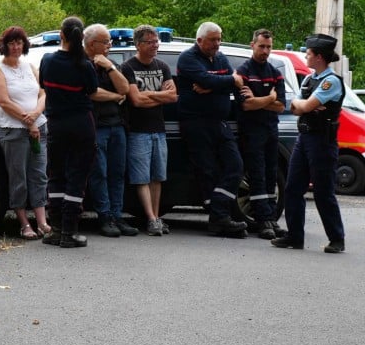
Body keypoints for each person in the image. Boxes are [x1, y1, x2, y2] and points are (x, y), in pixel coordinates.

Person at [272, 33, 346, 254]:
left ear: (320, 57)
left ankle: (337, 238)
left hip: (322, 141)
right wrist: (306, 105)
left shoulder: (331, 81)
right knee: (293, 187)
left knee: (323, 192)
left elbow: (302, 107)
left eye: (309, 53)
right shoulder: (309, 79)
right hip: (304, 138)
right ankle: (295, 236)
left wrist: (305, 105)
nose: (306, 55)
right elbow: (296, 106)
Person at [175, 21, 247, 237]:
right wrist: (223, 82)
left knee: (236, 165)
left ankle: (218, 211)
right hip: (196, 123)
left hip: (220, 122)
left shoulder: (221, 57)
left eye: (219, 38)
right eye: (213, 40)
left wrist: (213, 85)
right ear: (199, 41)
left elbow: (237, 82)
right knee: (207, 171)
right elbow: (210, 79)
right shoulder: (187, 58)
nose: (218, 43)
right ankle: (219, 220)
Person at [39, 16, 99, 248]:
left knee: (56, 175)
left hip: (55, 124)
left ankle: (55, 230)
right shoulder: (85, 65)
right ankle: (70, 232)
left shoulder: (48, 60)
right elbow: (92, 91)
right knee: (77, 176)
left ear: (61, 35)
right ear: (81, 37)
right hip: (81, 124)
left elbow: (43, 84)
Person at [0, 26, 51, 240]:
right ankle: (24, 223)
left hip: (38, 125)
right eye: (12, 43)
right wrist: (28, 120)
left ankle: (42, 222)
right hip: (12, 129)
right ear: (4, 46)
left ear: (24, 45)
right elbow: (4, 101)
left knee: (39, 175)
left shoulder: (30, 66)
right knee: (19, 177)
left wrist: (35, 114)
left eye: (19, 43)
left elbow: (43, 92)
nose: (16, 47)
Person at [120, 25, 177, 236]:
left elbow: (173, 96)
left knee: (157, 177)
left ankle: (155, 218)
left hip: (159, 130)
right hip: (137, 131)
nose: (155, 46)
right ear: (138, 44)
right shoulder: (128, 67)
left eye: (156, 42)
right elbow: (135, 100)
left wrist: (150, 97)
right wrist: (159, 95)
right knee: (141, 177)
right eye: (150, 42)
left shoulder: (162, 66)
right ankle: (151, 218)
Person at [83, 23, 137, 238]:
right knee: (100, 173)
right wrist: (115, 97)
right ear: (91, 43)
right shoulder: (82, 64)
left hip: (118, 127)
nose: (109, 46)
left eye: (109, 42)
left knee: (117, 173)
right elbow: (92, 93)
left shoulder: (111, 64)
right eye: (105, 42)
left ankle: (117, 215)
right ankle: (104, 217)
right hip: (96, 127)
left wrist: (110, 68)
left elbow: (125, 88)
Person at [235, 29, 288, 240]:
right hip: (251, 131)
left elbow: (281, 106)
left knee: (271, 174)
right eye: (261, 46)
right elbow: (246, 105)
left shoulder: (275, 72)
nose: (265, 50)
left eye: (268, 47)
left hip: (270, 130)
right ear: (252, 45)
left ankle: (271, 219)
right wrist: (269, 98)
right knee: (256, 175)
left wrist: (261, 100)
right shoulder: (243, 71)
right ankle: (261, 221)